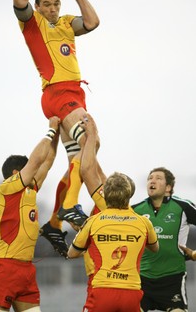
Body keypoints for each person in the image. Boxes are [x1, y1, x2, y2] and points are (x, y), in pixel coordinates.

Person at [13, 0, 105, 251]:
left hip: (73, 93)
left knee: (81, 159)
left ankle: (54, 223)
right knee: (92, 136)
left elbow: (92, 22)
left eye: (56, 4)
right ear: (38, 8)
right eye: (47, 5)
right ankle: (69, 206)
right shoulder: (33, 23)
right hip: (58, 94)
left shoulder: (65, 23)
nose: (53, 9)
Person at [68, 116, 159, 312]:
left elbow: (88, 170)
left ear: (107, 191)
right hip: (131, 288)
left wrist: (90, 137)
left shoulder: (103, 204)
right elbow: (96, 171)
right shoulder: (139, 218)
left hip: (100, 281)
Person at [0, 116, 60, 312]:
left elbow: (48, 160)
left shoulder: (29, 190)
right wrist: (50, 130)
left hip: (25, 269)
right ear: (16, 172)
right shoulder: (7, 187)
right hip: (5, 267)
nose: (33, 173)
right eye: (27, 170)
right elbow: (36, 162)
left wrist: (60, 131)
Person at [132, 167, 196, 312]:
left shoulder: (183, 207)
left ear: (168, 187)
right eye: (150, 178)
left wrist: (193, 254)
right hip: (142, 279)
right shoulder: (135, 210)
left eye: (158, 178)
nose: (152, 181)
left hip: (172, 278)